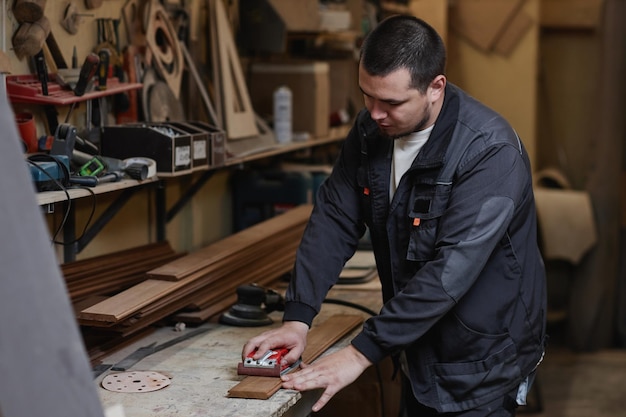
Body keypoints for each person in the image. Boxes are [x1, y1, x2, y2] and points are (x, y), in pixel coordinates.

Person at [243, 14, 547, 416]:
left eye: (391, 102)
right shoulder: (372, 133)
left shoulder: (489, 152)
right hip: (415, 348)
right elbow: (335, 218)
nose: (374, 113)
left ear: (435, 87)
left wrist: (359, 354)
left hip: (480, 362)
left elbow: (448, 273)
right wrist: (298, 318)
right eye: (366, 95)